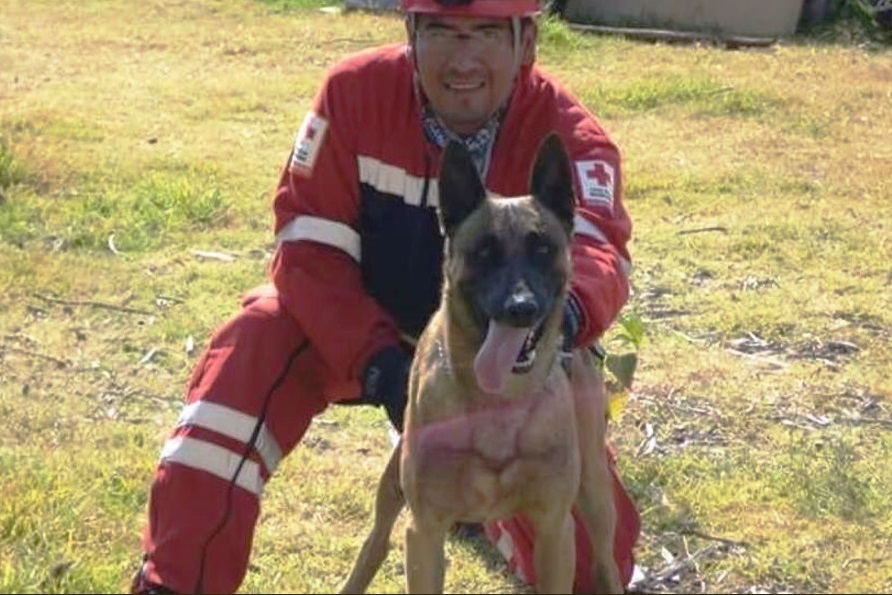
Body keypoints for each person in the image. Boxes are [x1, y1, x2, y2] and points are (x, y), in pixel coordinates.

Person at [131, 0, 639, 592]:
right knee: (254, 341)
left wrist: (555, 329)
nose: (464, 59)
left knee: (585, 569)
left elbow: (601, 254)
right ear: (410, 33)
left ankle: (476, 507)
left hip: (512, 356)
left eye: (486, 34)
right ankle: (175, 581)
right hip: (359, 332)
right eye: (443, 32)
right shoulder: (354, 96)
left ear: (527, 42)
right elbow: (307, 250)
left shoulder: (567, 135)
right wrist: (381, 366)